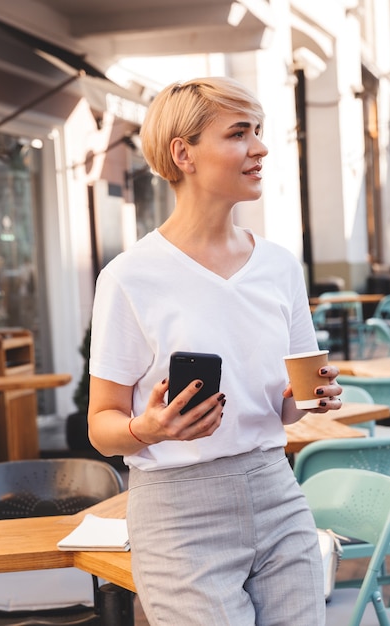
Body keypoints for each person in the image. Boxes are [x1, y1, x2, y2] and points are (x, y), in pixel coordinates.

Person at [88, 76, 342, 626]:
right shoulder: (129, 277)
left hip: (277, 491)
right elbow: (101, 424)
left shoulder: (278, 266)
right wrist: (147, 428)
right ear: (184, 153)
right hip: (180, 513)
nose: (260, 147)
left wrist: (312, 397)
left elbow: (285, 404)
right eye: (238, 133)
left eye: (258, 131)